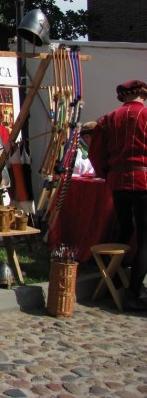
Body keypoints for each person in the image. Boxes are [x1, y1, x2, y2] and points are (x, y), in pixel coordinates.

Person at [88, 80, 147, 311]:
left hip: (117, 181)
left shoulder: (108, 119)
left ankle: (114, 279)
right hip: (143, 181)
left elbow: (95, 153)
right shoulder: (145, 115)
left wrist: (107, 173)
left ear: (123, 97)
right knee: (145, 238)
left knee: (124, 229)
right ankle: (134, 293)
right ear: (142, 95)